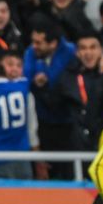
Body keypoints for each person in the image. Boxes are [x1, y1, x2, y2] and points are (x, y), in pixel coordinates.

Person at [24, 21, 76, 179]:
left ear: (53, 43)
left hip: (68, 122)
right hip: (43, 122)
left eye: (39, 42)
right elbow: (26, 78)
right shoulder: (31, 52)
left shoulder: (71, 52)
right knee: (45, 170)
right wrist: (35, 82)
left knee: (68, 171)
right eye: (33, 41)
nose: (34, 46)